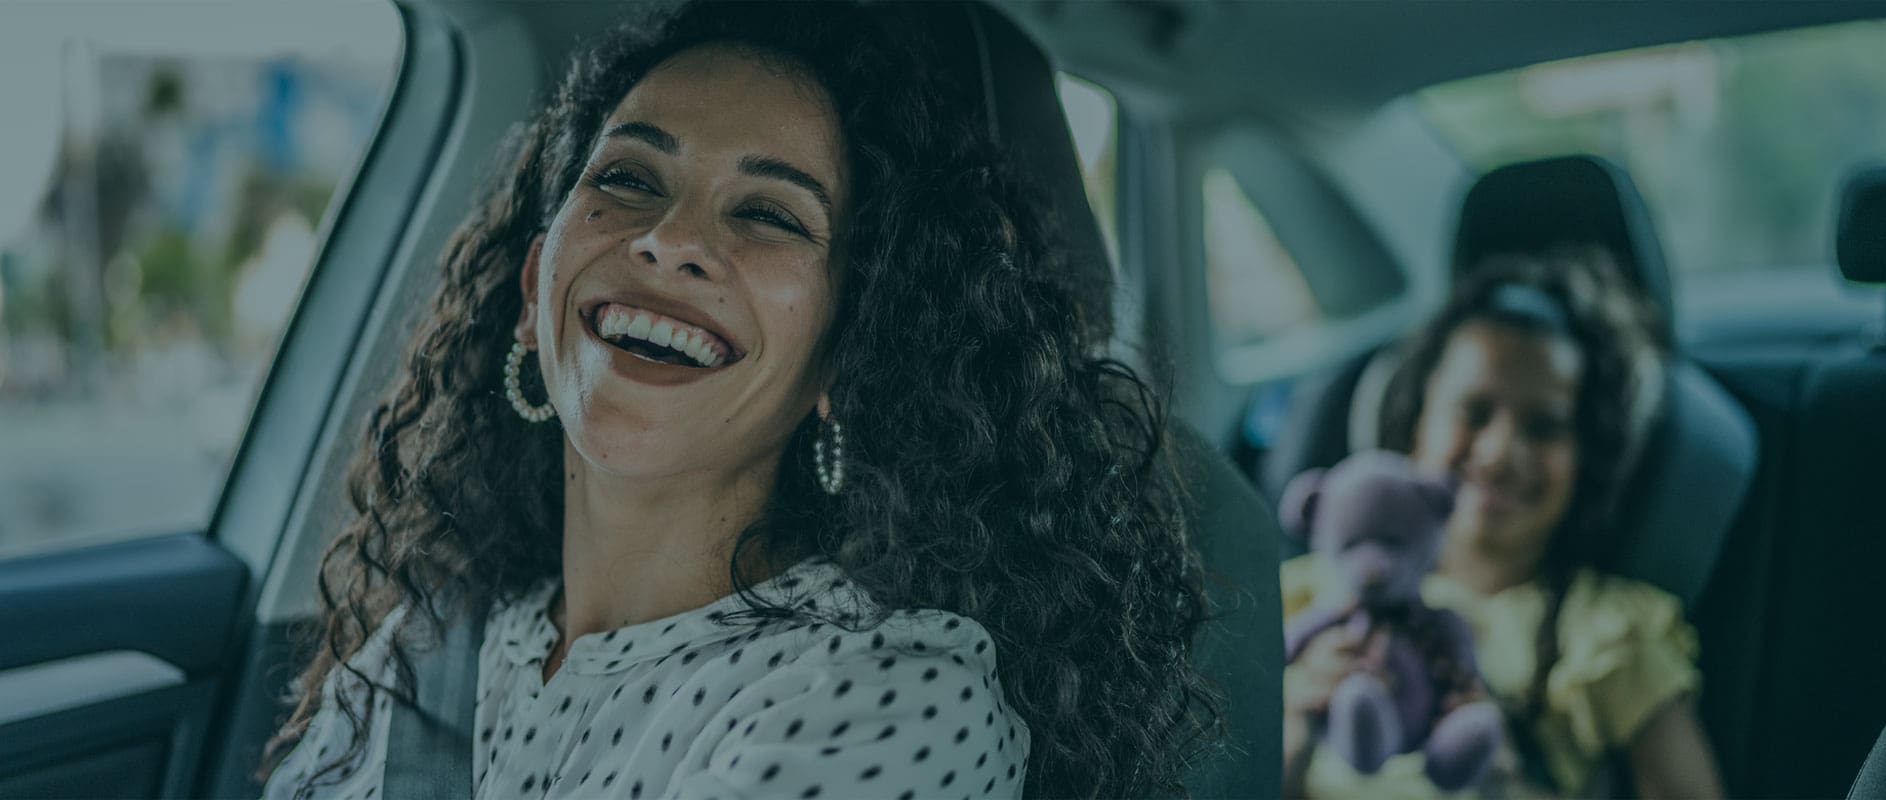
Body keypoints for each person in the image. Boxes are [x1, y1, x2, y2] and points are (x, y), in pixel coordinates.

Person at [256, 3, 1219, 798]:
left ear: (850, 355)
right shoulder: (419, 647)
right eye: (629, 178)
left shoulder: (891, 700)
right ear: (530, 292)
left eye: (767, 213)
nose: (670, 239)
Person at [1280, 251, 1725, 799]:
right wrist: (1293, 730)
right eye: (1474, 412)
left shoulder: (1607, 636)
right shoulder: (1303, 598)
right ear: (1415, 421)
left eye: (1544, 428)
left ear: (1588, 459)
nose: (1499, 453)